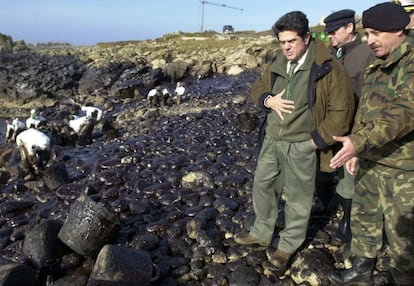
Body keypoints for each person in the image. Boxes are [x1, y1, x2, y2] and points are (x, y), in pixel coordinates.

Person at [233, 11, 355, 274]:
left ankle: (287, 246)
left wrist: (314, 142)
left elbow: (341, 112)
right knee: (262, 185)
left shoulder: (329, 68)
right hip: (272, 140)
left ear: (307, 38)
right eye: (282, 42)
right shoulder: (278, 63)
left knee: (299, 200)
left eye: (291, 41)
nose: (286, 47)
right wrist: (268, 100)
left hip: (302, 143)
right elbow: (256, 88)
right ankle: (261, 232)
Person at [328, 3, 414, 285]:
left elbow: (402, 113)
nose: (370, 40)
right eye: (367, 33)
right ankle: (361, 270)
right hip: (370, 161)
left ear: (399, 30)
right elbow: (366, 110)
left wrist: (359, 141)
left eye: (376, 33)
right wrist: (356, 146)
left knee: (403, 239)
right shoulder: (376, 65)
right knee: (365, 220)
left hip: (402, 169)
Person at [322, 9, 375, 246]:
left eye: (333, 31)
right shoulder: (330, 53)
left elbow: (369, 98)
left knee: (348, 176)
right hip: (328, 124)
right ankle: (324, 204)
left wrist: (359, 134)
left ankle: (348, 220)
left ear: (349, 28)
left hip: (353, 127)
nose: (329, 36)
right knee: (325, 168)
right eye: (327, 32)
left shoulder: (367, 55)